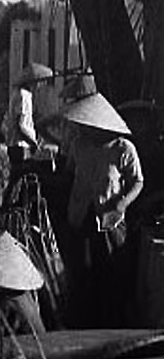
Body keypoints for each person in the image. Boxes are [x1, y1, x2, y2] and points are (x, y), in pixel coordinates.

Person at [60, 92, 143, 328]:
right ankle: (84, 321)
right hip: (80, 216)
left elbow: (137, 181)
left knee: (111, 271)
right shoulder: (79, 144)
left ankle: (110, 322)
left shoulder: (123, 148)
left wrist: (122, 203)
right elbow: (70, 172)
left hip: (109, 220)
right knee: (83, 272)